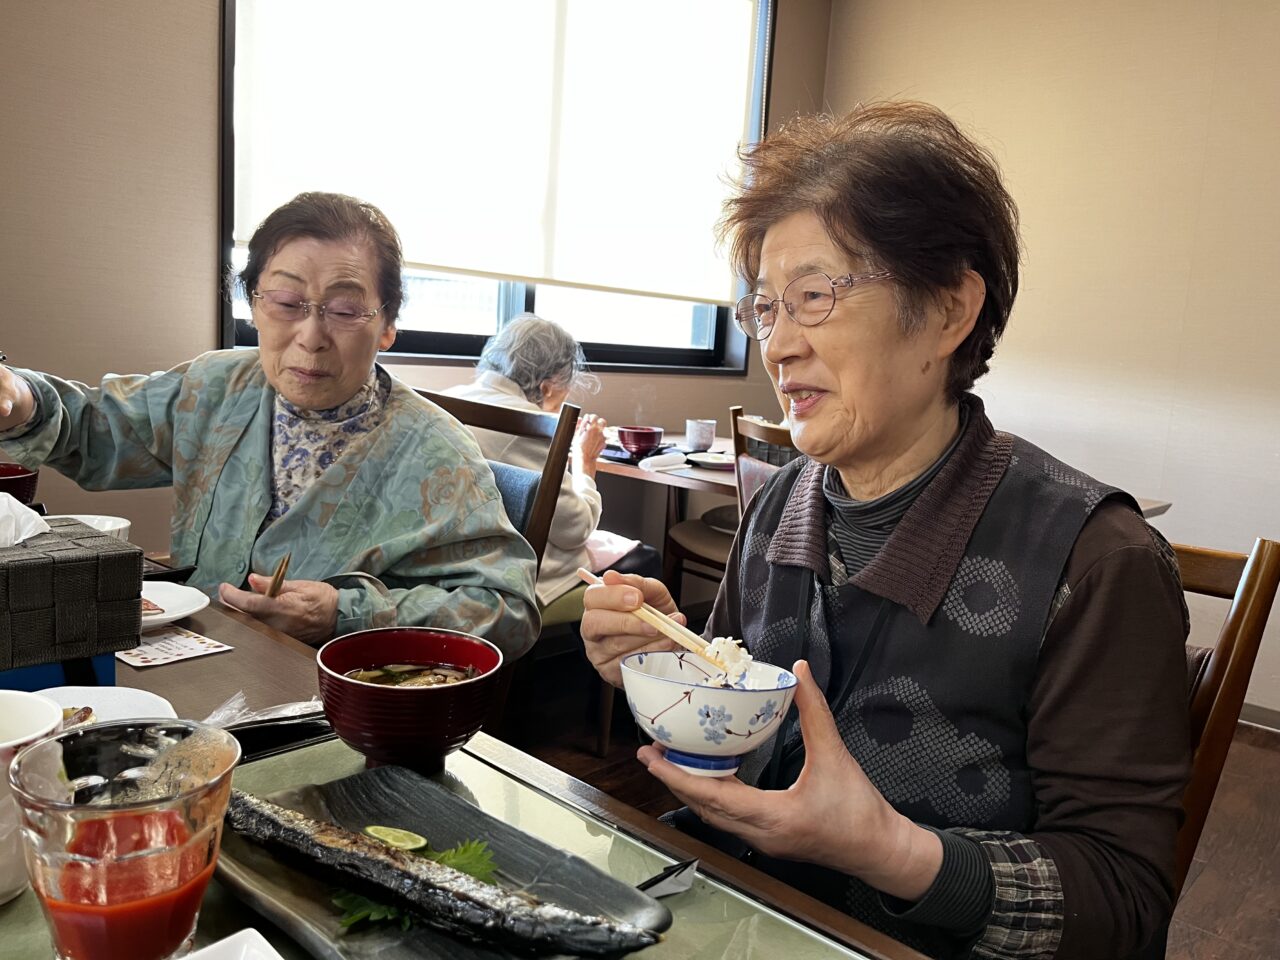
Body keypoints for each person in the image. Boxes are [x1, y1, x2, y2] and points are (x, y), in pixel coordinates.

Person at [580, 104, 1189, 959]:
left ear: (948, 310)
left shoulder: (1096, 561)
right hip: (741, 918)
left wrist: (890, 852)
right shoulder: (779, 505)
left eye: (815, 297)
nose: (777, 346)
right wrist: (665, 670)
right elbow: (739, 728)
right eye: (766, 308)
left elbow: (1125, 904)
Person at [0, 192, 539, 656]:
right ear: (254, 305)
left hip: (325, 707)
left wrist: (346, 613)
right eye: (286, 302)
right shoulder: (216, 387)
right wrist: (21, 399)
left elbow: (508, 611)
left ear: (388, 326)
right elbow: (96, 428)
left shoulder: (436, 451)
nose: (311, 336)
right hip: (194, 662)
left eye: (344, 311)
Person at [445, 314, 661, 605]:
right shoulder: (526, 424)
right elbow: (576, 530)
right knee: (646, 558)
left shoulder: (446, 399)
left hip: (448, 560)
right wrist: (585, 462)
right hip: (502, 568)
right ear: (546, 387)